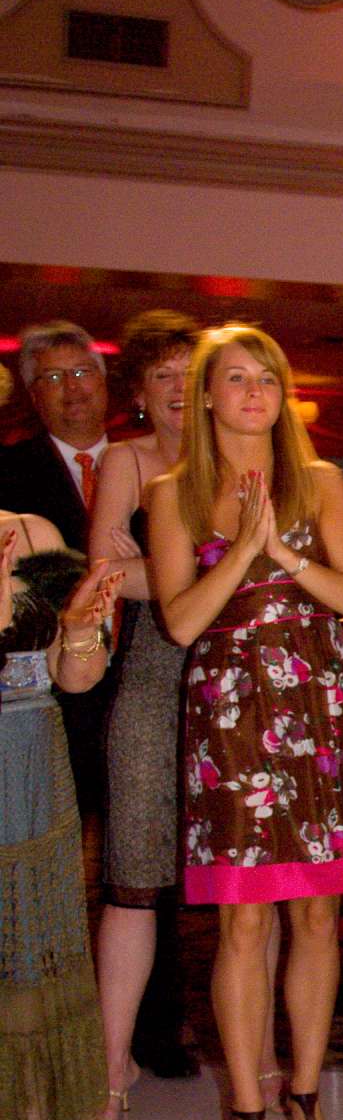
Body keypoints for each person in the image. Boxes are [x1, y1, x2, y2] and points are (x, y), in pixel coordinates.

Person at [149, 326, 343, 1120]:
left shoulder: (321, 483)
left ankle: (305, 1091)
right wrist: (242, 558)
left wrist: (280, 552)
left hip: (317, 699)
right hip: (229, 707)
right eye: (236, 379)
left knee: (314, 916)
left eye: (268, 377)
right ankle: (247, 1107)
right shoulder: (173, 493)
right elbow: (182, 623)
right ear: (207, 397)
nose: (255, 393)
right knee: (242, 920)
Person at [79, 312, 203, 1120]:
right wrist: (203, 574)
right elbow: (102, 577)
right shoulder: (127, 458)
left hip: (240, 684)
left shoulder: (246, 460)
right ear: (141, 392)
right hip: (154, 681)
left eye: (191, 374)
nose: (178, 391)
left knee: (243, 892)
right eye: (162, 377)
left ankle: (258, 1070)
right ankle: (111, 1068)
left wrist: (151, 569)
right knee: (131, 878)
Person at [0, 513, 122, 1120]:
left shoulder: (31, 531)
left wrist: (79, 626)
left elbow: (76, 678)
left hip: (31, 778)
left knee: (23, 960)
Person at [0, 322, 115, 821]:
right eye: (51, 378)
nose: (71, 387)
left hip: (128, 680)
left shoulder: (152, 468)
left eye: (82, 371)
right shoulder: (9, 474)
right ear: (31, 395)